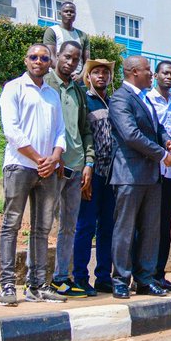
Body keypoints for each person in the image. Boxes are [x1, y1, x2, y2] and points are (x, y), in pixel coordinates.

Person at [0, 44, 67, 305]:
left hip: (48, 169)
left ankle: (37, 284)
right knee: (11, 224)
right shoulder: (13, 88)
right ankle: (7, 285)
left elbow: (61, 131)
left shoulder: (52, 94)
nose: (39, 61)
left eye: (44, 58)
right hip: (19, 166)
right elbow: (12, 131)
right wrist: (40, 159)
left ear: (50, 63)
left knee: (42, 228)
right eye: (34, 57)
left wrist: (55, 157)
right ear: (26, 61)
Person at [109, 55, 171, 299]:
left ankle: (145, 279)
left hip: (151, 177)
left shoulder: (144, 99)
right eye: (148, 70)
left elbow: (156, 128)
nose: (152, 74)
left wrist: (166, 141)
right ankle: (120, 279)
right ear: (134, 72)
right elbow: (130, 134)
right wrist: (161, 154)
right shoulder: (119, 98)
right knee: (125, 230)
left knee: (150, 230)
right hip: (128, 175)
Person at [44, 40, 95, 299]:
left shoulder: (78, 91)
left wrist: (88, 162)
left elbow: (85, 130)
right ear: (57, 56)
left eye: (76, 59)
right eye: (67, 56)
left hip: (76, 167)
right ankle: (39, 278)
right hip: (52, 166)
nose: (71, 62)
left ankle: (61, 278)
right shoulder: (46, 84)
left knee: (69, 226)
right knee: (43, 224)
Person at [72, 58, 117, 296]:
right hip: (91, 174)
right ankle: (80, 276)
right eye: (96, 72)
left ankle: (103, 276)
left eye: (105, 73)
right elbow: (80, 135)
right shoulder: (84, 102)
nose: (101, 76)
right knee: (85, 226)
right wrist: (84, 168)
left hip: (112, 176)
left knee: (107, 227)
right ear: (88, 76)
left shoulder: (114, 103)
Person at [146, 60, 171, 291]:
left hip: (169, 173)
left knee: (165, 225)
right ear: (156, 75)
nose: (168, 77)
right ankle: (144, 275)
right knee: (147, 226)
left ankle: (159, 273)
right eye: (164, 73)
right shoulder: (147, 100)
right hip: (150, 171)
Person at [41, 0, 89, 80]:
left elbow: (87, 61)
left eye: (72, 12)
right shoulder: (52, 31)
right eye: (66, 11)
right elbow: (50, 56)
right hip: (55, 77)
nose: (69, 13)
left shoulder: (83, 35)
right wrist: (65, 73)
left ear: (75, 15)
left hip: (77, 79)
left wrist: (80, 76)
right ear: (60, 14)